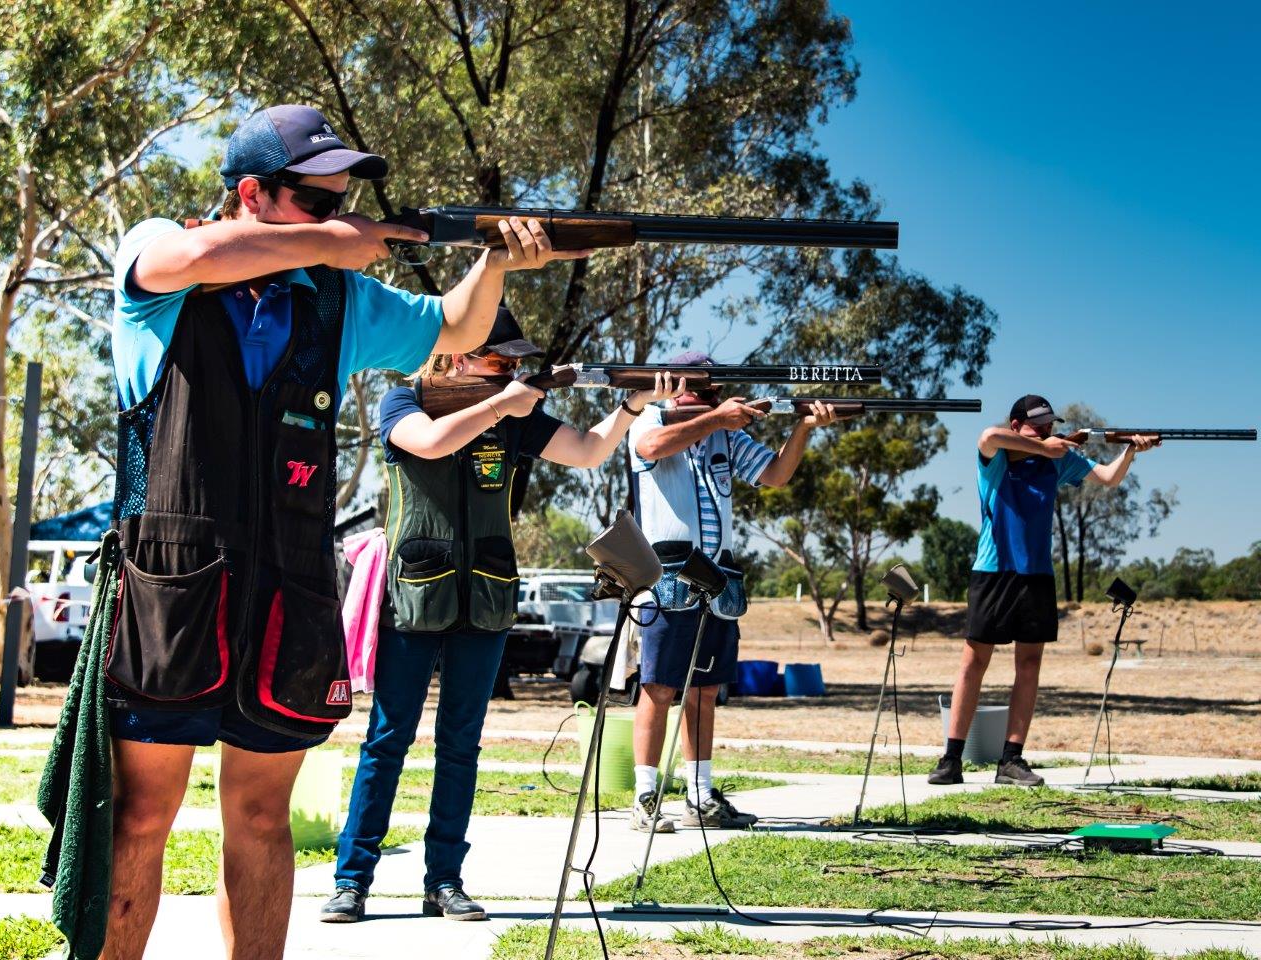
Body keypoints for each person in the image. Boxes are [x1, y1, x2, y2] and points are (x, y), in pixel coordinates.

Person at [104, 104, 585, 960]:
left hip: (288, 583)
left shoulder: (336, 295)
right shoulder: (163, 252)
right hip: (168, 586)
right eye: (317, 202)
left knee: (259, 817)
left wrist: (494, 261)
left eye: (341, 204)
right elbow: (201, 256)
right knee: (143, 814)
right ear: (250, 191)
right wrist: (333, 240)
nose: (338, 218)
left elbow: (457, 328)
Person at [320, 310, 682, 922]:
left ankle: (445, 882)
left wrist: (629, 407)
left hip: (484, 597)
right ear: (456, 355)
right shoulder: (402, 401)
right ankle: (352, 881)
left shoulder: (516, 414)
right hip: (413, 594)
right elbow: (431, 442)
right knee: (387, 741)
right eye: (498, 359)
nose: (511, 370)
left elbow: (590, 452)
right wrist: (507, 403)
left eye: (517, 362)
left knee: (461, 747)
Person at [626, 352, 843, 832]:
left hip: (718, 579)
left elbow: (776, 474)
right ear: (677, 388)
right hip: (667, 575)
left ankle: (699, 795)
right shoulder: (650, 417)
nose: (713, 398)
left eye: (715, 391)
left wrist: (804, 427)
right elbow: (654, 447)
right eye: (703, 391)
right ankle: (645, 797)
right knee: (658, 688)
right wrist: (714, 418)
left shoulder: (725, 433)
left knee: (704, 691)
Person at [928, 395, 1157, 787]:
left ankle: (1011, 760)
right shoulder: (998, 457)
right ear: (1017, 426)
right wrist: (1044, 447)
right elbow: (989, 435)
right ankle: (951, 759)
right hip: (993, 571)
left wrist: (1131, 452)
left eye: (1050, 425)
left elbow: (1107, 477)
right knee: (973, 663)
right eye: (1038, 425)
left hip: (1037, 574)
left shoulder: (1059, 459)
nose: (1047, 431)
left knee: (1030, 665)